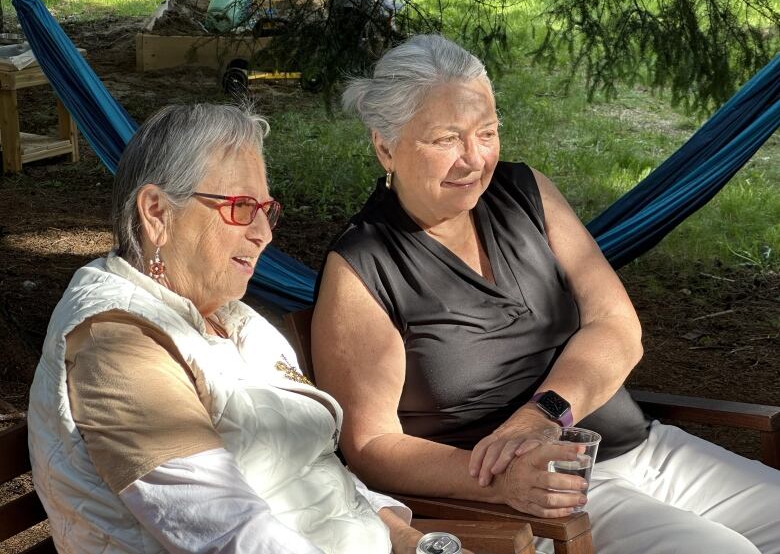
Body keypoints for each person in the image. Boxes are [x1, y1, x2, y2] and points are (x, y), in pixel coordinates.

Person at [311, 34, 780, 554]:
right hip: (542, 495)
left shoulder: (524, 194)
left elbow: (618, 325)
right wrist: (501, 475)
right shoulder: (364, 266)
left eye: (487, 132)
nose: (473, 159)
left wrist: (543, 413)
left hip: (646, 449)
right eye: (446, 139)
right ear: (385, 146)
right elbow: (369, 445)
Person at [27, 104, 432, 554]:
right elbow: (230, 537)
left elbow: (315, 471)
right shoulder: (118, 346)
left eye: (266, 209)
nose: (265, 233)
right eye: (241, 207)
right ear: (157, 213)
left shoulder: (226, 319)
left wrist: (418, 543)